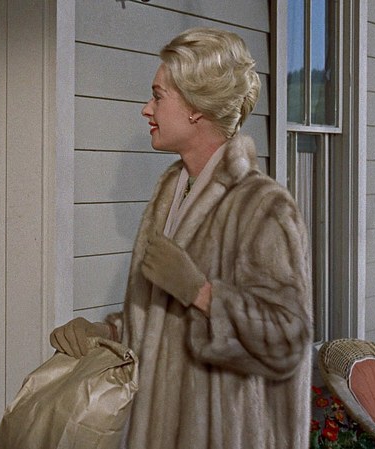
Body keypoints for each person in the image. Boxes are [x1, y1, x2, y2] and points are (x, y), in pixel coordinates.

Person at [50, 28, 313, 449]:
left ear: (194, 107)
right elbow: (160, 323)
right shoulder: (170, 192)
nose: (146, 109)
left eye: (158, 96)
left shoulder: (263, 207)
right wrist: (105, 333)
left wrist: (202, 293)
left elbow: (289, 340)